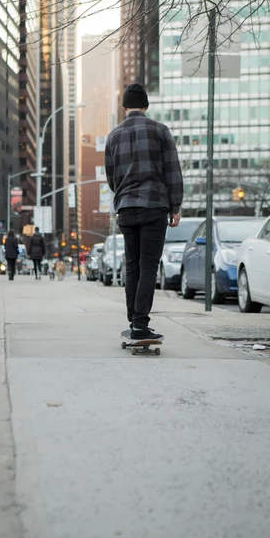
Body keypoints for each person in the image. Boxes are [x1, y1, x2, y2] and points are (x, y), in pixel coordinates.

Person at [105, 83, 183, 344]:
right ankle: (140, 323)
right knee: (149, 266)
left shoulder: (114, 135)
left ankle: (134, 321)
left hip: (126, 208)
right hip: (154, 206)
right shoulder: (159, 130)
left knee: (133, 266)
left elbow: (111, 176)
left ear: (124, 106)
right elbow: (172, 171)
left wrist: (123, 196)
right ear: (146, 106)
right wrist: (175, 206)